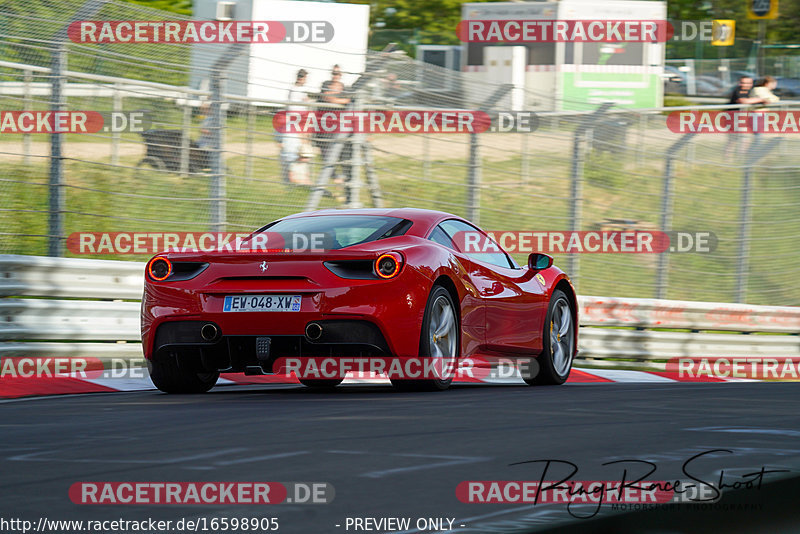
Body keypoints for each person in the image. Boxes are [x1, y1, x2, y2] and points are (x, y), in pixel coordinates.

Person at [281, 69, 312, 184]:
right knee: (295, 146)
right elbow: (291, 106)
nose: (302, 79)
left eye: (303, 77)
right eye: (301, 77)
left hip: (302, 119)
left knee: (304, 146)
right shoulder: (293, 89)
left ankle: (303, 175)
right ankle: (293, 176)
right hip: (295, 120)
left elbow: (305, 101)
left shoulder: (303, 89)